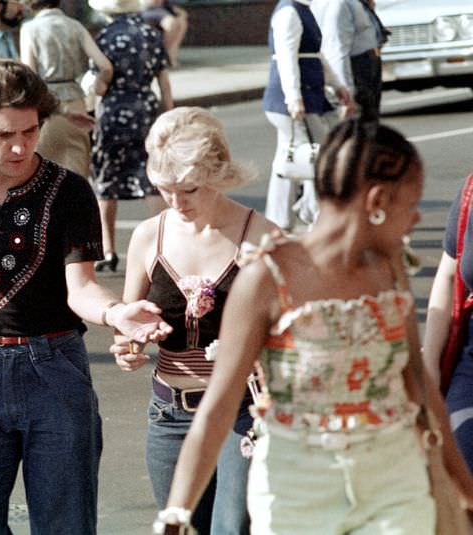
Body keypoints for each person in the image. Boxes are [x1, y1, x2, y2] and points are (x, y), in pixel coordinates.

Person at [154, 119, 473, 534]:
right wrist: (177, 512)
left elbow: (417, 383)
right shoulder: (266, 277)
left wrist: (464, 488)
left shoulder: (387, 269)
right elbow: (218, 406)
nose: (416, 219)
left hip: (393, 481)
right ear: (377, 200)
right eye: (411, 203)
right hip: (296, 490)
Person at [0, 58, 172, 534]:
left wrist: (117, 312)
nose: (19, 146)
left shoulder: (69, 191)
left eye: (31, 130)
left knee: (64, 525)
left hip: (54, 371)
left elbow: (79, 287)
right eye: (3, 135)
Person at [110, 107, 276, 534]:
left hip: (243, 408)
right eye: (165, 190)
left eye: (189, 189)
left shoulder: (261, 236)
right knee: (181, 527)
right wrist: (131, 346)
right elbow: (128, 327)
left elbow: (293, 328)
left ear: (219, 174)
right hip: (171, 413)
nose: (176, 202)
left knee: (231, 526)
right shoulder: (150, 236)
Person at [89, 0, 173, 272]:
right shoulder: (151, 34)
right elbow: (163, 81)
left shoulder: (104, 37)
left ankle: (108, 249)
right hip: (146, 109)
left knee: (106, 180)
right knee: (150, 177)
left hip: (113, 111)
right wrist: (168, 114)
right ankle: (162, 246)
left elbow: (99, 84)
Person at [262, 0, 354, 231]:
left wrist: (337, 85)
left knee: (290, 158)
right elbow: (286, 57)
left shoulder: (301, 10)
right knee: (316, 156)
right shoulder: (289, 13)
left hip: (304, 97)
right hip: (294, 100)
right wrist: (293, 98)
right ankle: (313, 213)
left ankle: (280, 218)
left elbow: (316, 56)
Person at [19, 0, 113, 178]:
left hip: (46, 106)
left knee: (44, 176)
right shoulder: (75, 26)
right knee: (78, 178)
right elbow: (105, 66)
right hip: (77, 102)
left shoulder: (29, 29)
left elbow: (29, 76)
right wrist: (101, 83)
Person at [424, 176, 473, 473]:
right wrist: (429, 362)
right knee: (457, 467)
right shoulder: (471, 191)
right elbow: (449, 274)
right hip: (470, 365)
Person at [312, 0, 390, 121]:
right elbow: (337, 48)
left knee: (371, 122)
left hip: (368, 63)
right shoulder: (339, 4)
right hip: (358, 68)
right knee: (362, 125)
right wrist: (345, 92)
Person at [140, 0, 188, 68]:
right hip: (145, 10)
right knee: (171, 23)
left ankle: (170, 55)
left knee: (181, 22)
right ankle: (164, 56)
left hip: (163, 11)